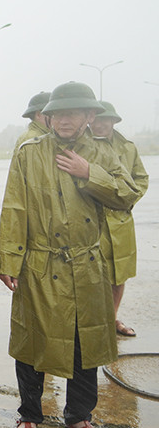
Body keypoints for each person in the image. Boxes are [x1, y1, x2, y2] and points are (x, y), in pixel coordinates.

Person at [0, 82, 142, 428]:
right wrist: (10, 261)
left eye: (72, 113)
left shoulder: (104, 154)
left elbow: (127, 196)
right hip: (41, 265)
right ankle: (29, 414)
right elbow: (15, 207)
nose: (63, 120)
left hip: (88, 265)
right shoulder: (30, 152)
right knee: (33, 342)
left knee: (85, 344)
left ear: (89, 116)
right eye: (58, 113)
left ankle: (79, 415)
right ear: (48, 116)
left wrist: (89, 172)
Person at [89, 101, 149, 337]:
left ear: (114, 122)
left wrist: (128, 201)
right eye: (96, 119)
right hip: (93, 221)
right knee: (93, 275)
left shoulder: (128, 148)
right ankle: (93, 323)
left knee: (118, 274)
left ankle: (112, 319)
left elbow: (140, 178)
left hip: (121, 221)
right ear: (89, 120)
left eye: (106, 120)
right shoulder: (83, 146)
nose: (101, 124)